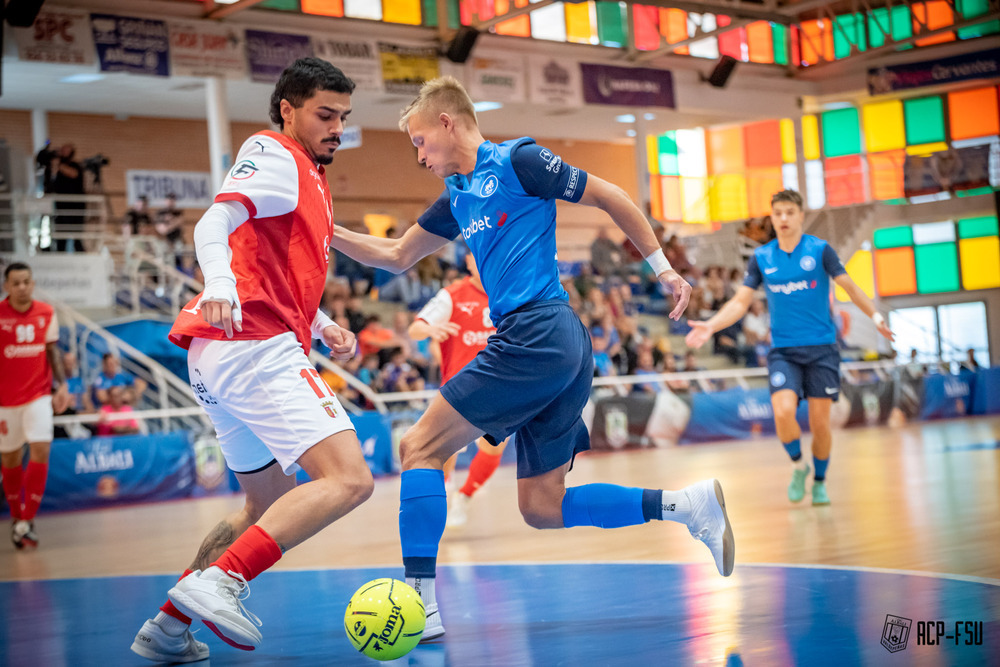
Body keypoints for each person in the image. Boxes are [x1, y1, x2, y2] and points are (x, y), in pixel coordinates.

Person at [330, 76, 734, 641]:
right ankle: (684, 506)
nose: (418, 156)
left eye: (420, 141)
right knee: (542, 506)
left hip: (538, 331)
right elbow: (396, 256)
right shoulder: (457, 194)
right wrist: (325, 230)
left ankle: (420, 604)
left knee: (418, 445)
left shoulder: (518, 161)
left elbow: (610, 195)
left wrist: (663, 269)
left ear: (448, 123)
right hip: (555, 344)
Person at [129, 58, 370, 663]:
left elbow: (271, 270)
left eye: (343, 116)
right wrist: (218, 282)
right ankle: (223, 580)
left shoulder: (312, 179)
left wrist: (321, 323)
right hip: (250, 343)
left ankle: (167, 626)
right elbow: (215, 222)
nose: (336, 126)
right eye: (324, 113)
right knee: (349, 479)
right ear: (288, 110)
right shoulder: (275, 152)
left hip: (226, 351)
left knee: (263, 506)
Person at [686, 189, 894, 506]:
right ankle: (799, 466)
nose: (783, 218)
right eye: (777, 213)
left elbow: (849, 287)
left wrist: (877, 317)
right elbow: (741, 301)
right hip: (784, 351)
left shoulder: (820, 250)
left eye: (789, 212)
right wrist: (711, 325)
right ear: (772, 218)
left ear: (799, 216)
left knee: (820, 423)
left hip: (822, 349)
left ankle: (820, 482)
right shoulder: (761, 258)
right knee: (783, 412)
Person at [408, 251, 507, 528]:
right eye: (478, 255)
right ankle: (446, 490)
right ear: (468, 262)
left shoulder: (508, 292)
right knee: (445, 453)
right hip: (459, 390)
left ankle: (464, 497)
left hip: (499, 390)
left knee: (493, 450)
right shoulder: (452, 295)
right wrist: (431, 330)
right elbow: (416, 328)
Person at [0, 262, 71, 549]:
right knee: (11, 460)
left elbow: (51, 351)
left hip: (38, 396)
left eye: (26, 282)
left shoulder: (46, 312)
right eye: (15, 283)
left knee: (41, 448)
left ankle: (27, 520)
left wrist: (62, 385)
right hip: (5, 402)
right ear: (6, 286)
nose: (21, 287)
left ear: (32, 283)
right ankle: (17, 519)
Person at [44, 143, 86, 252]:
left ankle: (80, 254)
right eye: (62, 149)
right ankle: (60, 253)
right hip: (60, 207)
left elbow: (73, 174)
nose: (62, 151)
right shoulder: (53, 166)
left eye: (66, 150)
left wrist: (59, 165)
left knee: (77, 236)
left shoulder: (75, 165)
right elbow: (50, 182)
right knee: (60, 236)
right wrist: (54, 167)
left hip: (76, 207)